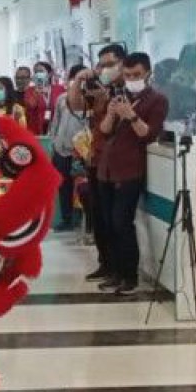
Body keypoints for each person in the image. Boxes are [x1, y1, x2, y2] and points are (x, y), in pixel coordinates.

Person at [92, 52, 168, 296]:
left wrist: (131, 115)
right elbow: (103, 131)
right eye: (127, 75)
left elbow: (148, 134)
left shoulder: (156, 100)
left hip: (130, 170)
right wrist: (113, 113)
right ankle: (114, 271)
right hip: (106, 169)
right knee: (107, 224)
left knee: (122, 223)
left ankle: (129, 276)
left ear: (147, 73)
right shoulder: (118, 95)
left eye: (136, 75)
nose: (131, 79)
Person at [68, 45, 126, 283]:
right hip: (96, 161)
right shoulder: (101, 90)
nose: (104, 69)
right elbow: (76, 106)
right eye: (101, 65)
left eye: (110, 64)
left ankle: (118, 268)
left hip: (117, 165)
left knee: (116, 219)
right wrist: (78, 80)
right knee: (100, 218)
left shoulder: (124, 93)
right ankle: (105, 263)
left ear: (122, 63)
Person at [49, 65, 87, 231]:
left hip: (80, 151)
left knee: (81, 186)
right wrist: (54, 142)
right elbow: (55, 123)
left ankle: (83, 220)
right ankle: (67, 218)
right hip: (61, 149)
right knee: (63, 185)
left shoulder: (89, 100)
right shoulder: (62, 99)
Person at [23, 61, 64, 136]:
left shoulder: (60, 89)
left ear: (49, 74)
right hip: (36, 132)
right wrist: (37, 93)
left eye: (41, 71)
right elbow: (30, 106)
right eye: (36, 72)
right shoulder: (30, 91)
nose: (38, 74)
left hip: (56, 131)